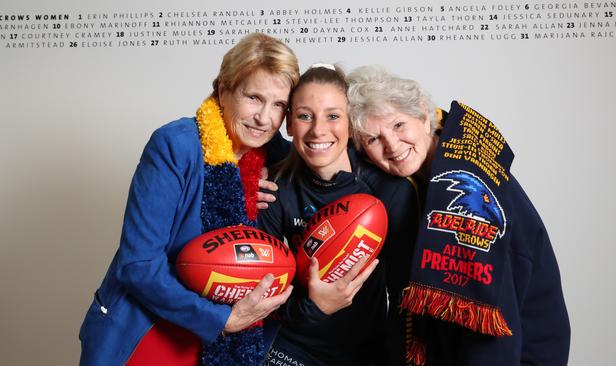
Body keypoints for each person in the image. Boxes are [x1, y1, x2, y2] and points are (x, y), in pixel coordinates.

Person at [78, 33, 300, 366]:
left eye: (279, 104)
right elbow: (138, 265)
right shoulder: (174, 145)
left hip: (225, 343)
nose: (264, 118)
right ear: (223, 90)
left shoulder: (279, 158)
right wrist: (221, 320)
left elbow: (331, 152)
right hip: (150, 330)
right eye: (254, 97)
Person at [346, 65, 571, 365]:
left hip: (517, 347)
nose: (392, 144)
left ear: (424, 116)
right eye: (373, 139)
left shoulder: (471, 185)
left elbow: (491, 320)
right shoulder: (411, 181)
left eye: (399, 125)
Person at [258, 64, 419, 365]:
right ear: (289, 125)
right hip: (292, 347)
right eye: (305, 116)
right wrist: (313, 306)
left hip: (364, 351)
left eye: (333, 116)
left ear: (350, 124)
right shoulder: (273, 190)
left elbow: (406, 297)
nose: (318, 130)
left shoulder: (386, 192)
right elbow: (262, 294)